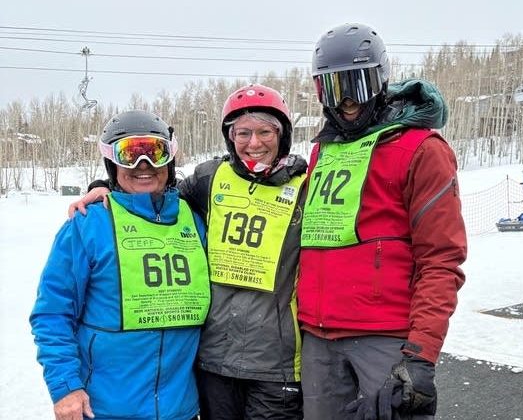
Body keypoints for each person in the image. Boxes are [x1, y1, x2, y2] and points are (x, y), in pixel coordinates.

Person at [68, 85, 307, 419]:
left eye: (265, 132)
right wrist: (105, 187)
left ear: (283, 135)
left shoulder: (304, 185)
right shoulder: (211, 178)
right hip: (215, 359)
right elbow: (154, 188)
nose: (254, 143)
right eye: (243, 133)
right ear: (230, 138)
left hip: (274, 361)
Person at [297, 23, 467, 420]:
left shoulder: (421, 149)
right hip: (319, 337)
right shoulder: (325, 151)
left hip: (384, 336)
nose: (346, 102)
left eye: (357, 85)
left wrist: (421, 353)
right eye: (332, 89)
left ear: (380, 82)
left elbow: (441, 258)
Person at [31, 110, 212, 420]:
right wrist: (65, 386)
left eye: (155, 153)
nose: (143, 165)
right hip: (106, 409)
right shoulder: (88, 224)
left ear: (169, 161)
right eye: (129, 154)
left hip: (180, 409)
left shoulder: (193, 220)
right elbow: (53, 312)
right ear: (112, 164)